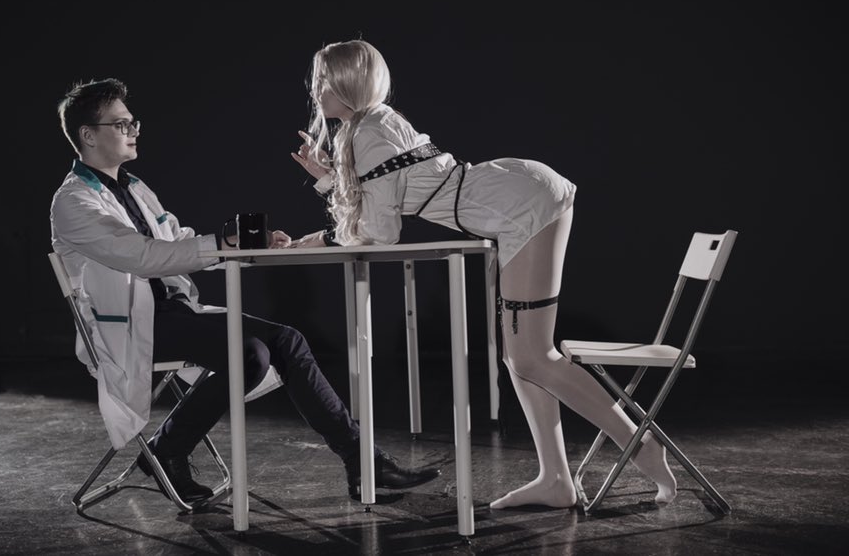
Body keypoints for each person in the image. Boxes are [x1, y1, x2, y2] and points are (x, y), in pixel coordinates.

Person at [288, 40, 677, 509]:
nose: (315, 89)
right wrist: (329, 180)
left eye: (323, 79)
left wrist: (324, 230)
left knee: (533, 357)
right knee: (523, 358)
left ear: (348, 82)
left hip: (522, 206)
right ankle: (556, 479)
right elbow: (379, 206)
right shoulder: (371, 125)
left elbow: (379, 232)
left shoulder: (368, 131)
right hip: (516, 203)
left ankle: (640, 444)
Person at [50, 78, 439, 504]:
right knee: (247, 354)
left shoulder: (134, 187)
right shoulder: (73, 202)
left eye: (133, 122)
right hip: (129, 327)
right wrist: (222, 244)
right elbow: (144, 256)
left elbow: (176, 240)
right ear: (88, 135)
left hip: (173, 313)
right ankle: (167, 450)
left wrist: (247, 244)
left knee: (286, 341)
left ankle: (364, 464)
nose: (133, 131)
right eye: (121, 124)